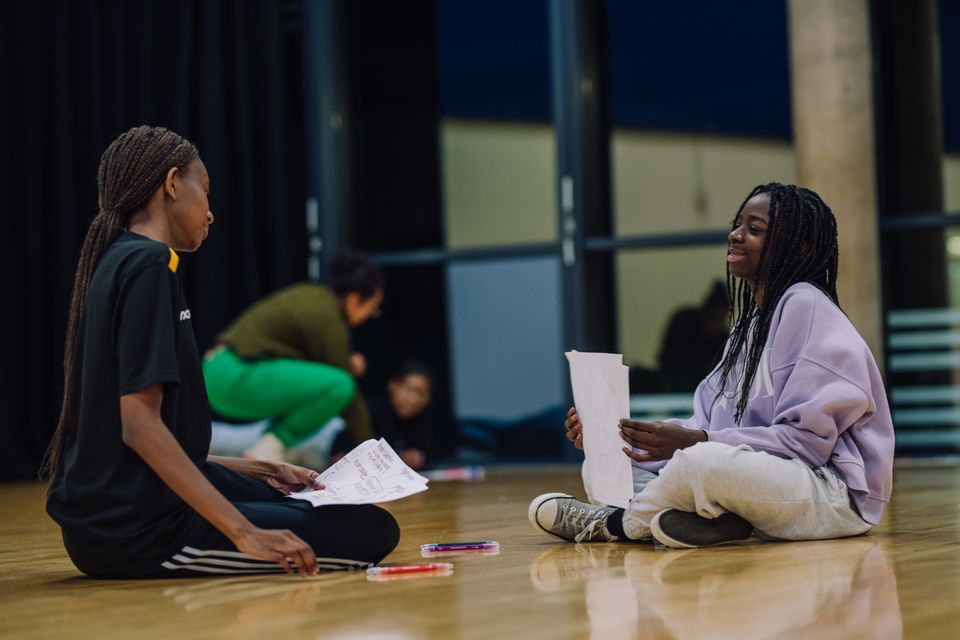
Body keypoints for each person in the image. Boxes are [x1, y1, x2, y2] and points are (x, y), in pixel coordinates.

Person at [44, 126, 399, 579]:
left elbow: (132, 441)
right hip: (138, 531)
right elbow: (137, 426)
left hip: (131, 504)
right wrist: (244, 533)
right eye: (205, 192)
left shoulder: (125, 260)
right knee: (372, 532)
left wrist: (263, 467)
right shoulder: (148, 266)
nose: (211, 212)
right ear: (172, 184)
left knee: (305, 498)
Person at [529, 182, 894, 549]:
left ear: (796, 247)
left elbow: (807, 444)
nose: (734, 235)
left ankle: (616, 525)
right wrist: (616, 437)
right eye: (738, 224)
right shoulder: (747, 330)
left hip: (830, 495)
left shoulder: (806, 305)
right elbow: (707, 426)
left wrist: (697, 443)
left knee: (700, 462)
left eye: (754, 229)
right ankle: (718, 520)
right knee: (605, 463)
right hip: (764, 485)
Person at [203, 252, 383, 463]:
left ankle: (269, 448)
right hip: (235, 375)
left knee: (330, 385)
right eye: (372, 308)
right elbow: (348, 396)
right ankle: (269, 447)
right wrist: (373, 453)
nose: (370, 315)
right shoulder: (329, 319)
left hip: (220, 370)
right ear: (354, 299)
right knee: (341, 385)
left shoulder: (313, 296)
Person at [331, 361, 435, 470]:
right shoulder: (368, 412)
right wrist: (399, 458)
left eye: (422, 395)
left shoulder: (423, 422)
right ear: (393, 385)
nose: (414, 399)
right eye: (411, 390)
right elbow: (343, 454)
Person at [657, 280, 729, 392]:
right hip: (676, 384)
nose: (716, 324)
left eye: (720, 319)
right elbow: (670, 360)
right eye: (714, 318)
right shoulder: (684, 322)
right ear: (705, 313)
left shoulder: (723, 338)